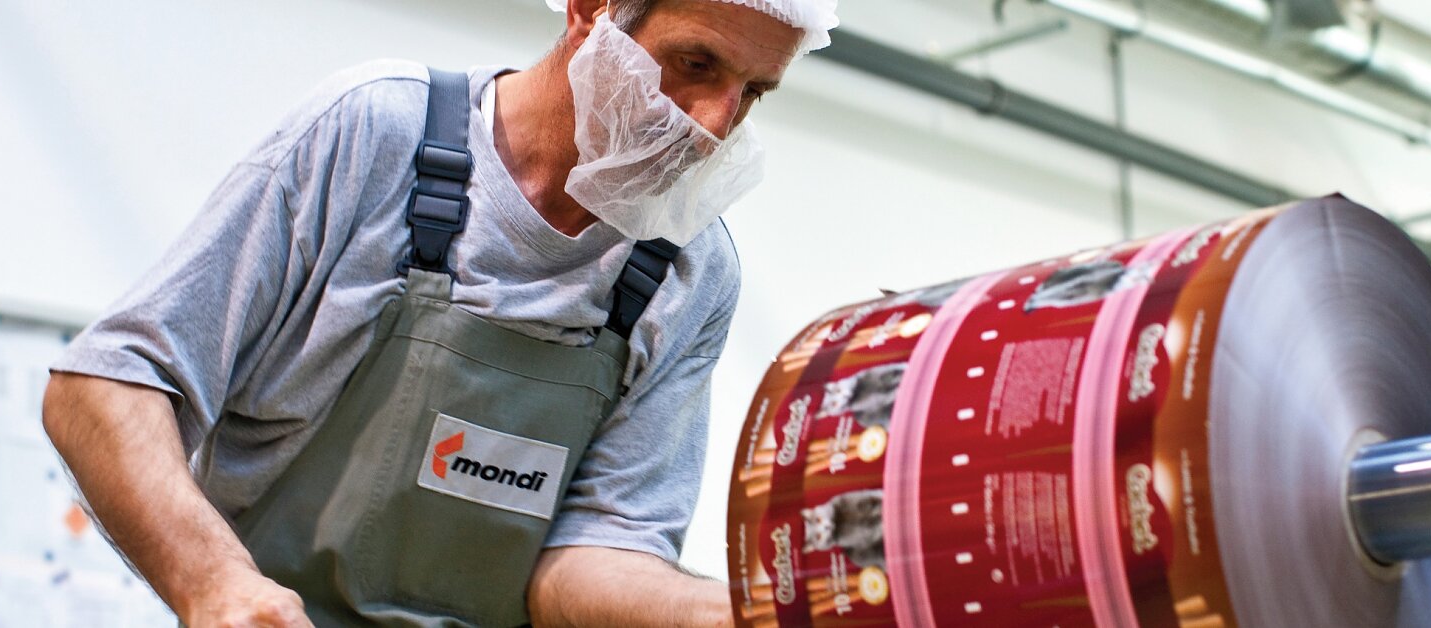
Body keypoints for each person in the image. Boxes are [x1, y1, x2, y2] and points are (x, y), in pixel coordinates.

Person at [41, 0, 837, 625]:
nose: (713, 124)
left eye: (751, 92)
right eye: (694, 63)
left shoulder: (689, 271)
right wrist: (214, 583)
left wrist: (739, 614)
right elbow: (104, 387)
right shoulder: (376, 135)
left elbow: (589, 560)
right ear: (592, 10)